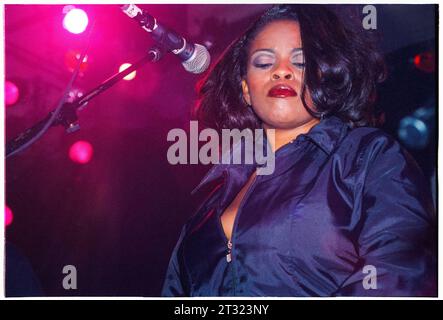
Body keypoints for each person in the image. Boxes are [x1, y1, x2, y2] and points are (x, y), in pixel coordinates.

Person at [161, 4, 436, 296]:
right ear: (246, 89)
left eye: (301, 62)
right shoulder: (208, 203)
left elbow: (401, 274)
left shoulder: (367, 157)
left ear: (323, 78)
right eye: (264, 62)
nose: (282, 71)